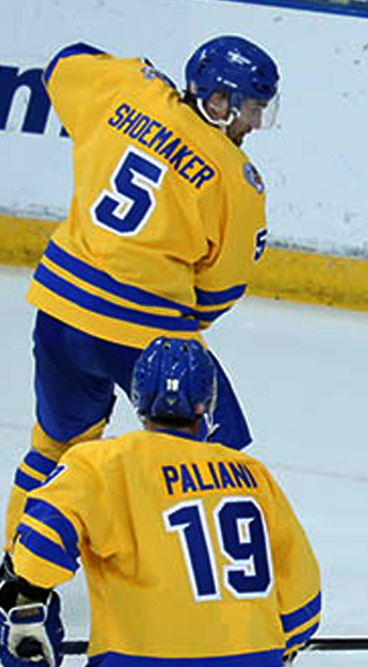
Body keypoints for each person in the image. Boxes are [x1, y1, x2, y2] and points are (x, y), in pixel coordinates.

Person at [5, 35, 280, 550]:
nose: (254, 124)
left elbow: (63, 62)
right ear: (216, 102)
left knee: (54, 450)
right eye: (250, 109)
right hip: (150, 335)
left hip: (59, 314)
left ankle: (14, 589)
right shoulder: (234, 179)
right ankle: (210, 588)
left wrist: (138, 75)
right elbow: (218, 292)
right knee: (218, 457)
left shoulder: (128, 92)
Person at [0, 337, 321, 667]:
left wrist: (28, 602)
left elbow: (40, 546)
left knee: (19, 607)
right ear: (208, 401)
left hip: (139, 659)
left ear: (138, 396)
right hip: (253, 659)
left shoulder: (100, 463)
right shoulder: (253, 475)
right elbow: (302, 601)